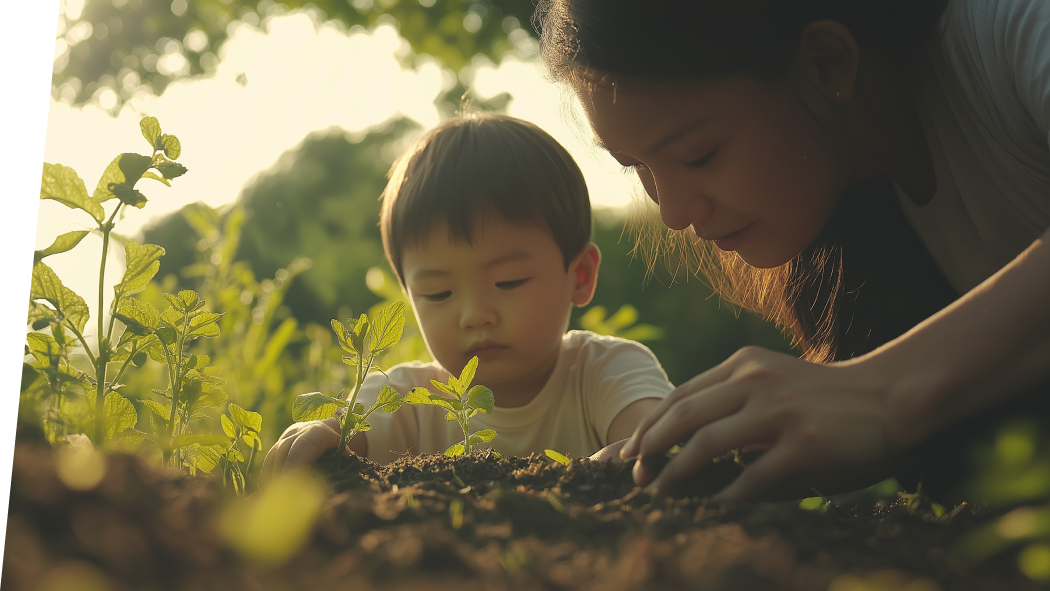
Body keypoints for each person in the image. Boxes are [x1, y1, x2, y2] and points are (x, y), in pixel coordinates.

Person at [533, 0, 1050, 503]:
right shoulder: (860, 201)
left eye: (700, 155)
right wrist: (737, 451)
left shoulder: (1015, 28)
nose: (672, 213)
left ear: (826, 64)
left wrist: (883, 392)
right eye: (635, 166)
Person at [262, 114, 673, 476]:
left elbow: (656, 445)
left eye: (508, 282)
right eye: (438, 293)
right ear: (409, 296)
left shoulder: (606, 373)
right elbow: (338, 437)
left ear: (579, 275)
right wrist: (320, 434)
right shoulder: (403, 401)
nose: (475, 315)